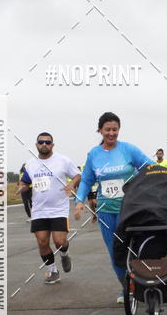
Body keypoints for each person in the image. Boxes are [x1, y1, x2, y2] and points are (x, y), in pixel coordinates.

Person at [74, 113, 152, 303]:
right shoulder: (94, 154)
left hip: (131, 209)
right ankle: (127, 288)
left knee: (136, 249)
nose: (111, 133)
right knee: (115, 252)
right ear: (100, 130)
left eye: (114, 129)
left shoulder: (128, 150)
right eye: (107, 129)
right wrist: (79, 201)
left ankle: (143, 282)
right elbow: (86, 180)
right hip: (106, 211)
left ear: (119, 130)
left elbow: (149, 166)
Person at [17, 133, 80, 284]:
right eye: (41, 142)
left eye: (47, 142)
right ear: (36, 145)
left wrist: (72, 184)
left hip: (59, 209)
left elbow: (78, 175)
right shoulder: (30, 164)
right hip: (39, 210)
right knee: (42, 242)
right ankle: (52, 271)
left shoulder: (63, 160)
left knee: (59, 241)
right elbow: (25, 181)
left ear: (52, 145)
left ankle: (64, 254)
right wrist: (22, 187)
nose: (44, 144)